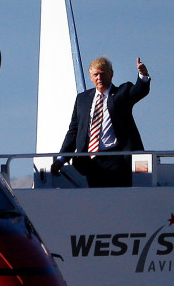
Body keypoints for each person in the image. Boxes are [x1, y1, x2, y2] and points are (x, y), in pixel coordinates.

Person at [52, 56, 150, 188]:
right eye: (96, 75)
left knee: (119, 198)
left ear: (111, 74)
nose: (99, 78)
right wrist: (62, 158)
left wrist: (143, 75)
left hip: (117, 159)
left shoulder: (121, 93)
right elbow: (74, 131)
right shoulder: (83, 99)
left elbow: (138, 91)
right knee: (98, 200)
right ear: (91, 77)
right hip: (91, 161)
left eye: (103, 74)